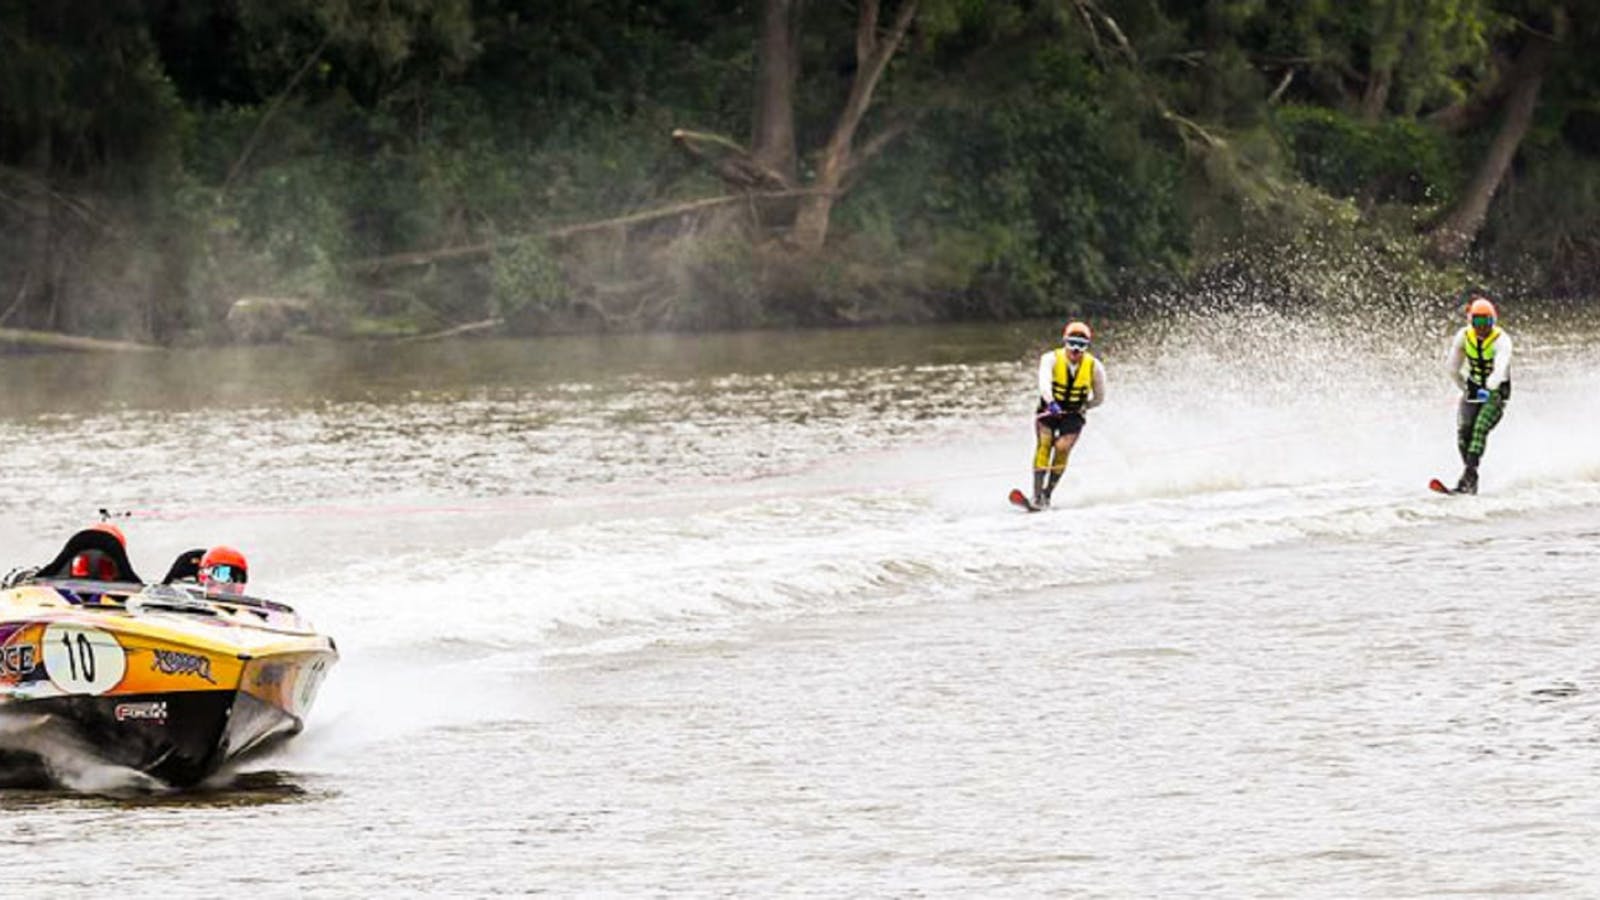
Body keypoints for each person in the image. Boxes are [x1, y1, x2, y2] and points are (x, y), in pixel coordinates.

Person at [1031, 320, 1106, 508]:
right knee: (1045, 444)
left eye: (1081, 345)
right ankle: (1036, 495)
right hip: (1049, 409)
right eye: (1072, 343)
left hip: (1074, 414)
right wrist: (1051, 402)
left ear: (1087, 347)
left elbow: (1100, 397)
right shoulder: (1050, 359)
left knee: (1062, 447)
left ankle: (1048, 494)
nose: (1075, 350)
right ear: (1065, 341)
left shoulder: (1095, 367)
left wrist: (1084, 407)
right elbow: (1044, 383)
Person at [1443, 292, 1512, 494]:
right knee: (1464, 431)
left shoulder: (1502, 340)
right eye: (1478, 321)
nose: (1482, 327)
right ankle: (1470, 477)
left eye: (1486, 321)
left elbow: (1500, 369)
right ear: (1470, 320)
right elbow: (1452, 368)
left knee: (1479, 429)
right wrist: (1465, 388)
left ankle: (1469, 476)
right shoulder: (1463, 337)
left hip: (1496, 393)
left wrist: (1490, 387)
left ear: (1494, 320)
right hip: (1474, 389)